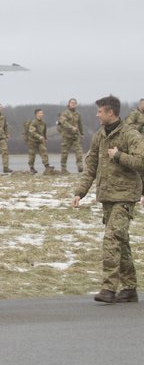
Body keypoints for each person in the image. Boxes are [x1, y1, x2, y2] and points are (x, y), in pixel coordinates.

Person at [72, 95, 144, 304]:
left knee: (111, 239)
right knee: (121, 242)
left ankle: (108, 288)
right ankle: (129, 288)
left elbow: (142, 161)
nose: (97, 115)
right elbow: (91, 167)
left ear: (110, 112)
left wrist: (119, 156)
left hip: (125, 196)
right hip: (107, 197)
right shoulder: (99, 136)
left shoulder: (130, 134)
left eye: (100, 111)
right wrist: (79, 192)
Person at [58, 98, 84, 173]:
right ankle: (63, 168)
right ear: (69, 104)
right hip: (66, 136)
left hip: (75, 136)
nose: (73, 104)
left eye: (75, 103)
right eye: (72, 103)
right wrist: (71, 127)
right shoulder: (65, 113)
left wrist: (82, 133)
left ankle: (80, 166)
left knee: (79, 151)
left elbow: (80, 124)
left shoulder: (77, 114)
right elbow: (63, 122)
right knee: (64, 153)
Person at [26, 109, 54, 174]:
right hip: (32, 141)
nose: (42, 114)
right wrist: (39, 136)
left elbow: (44, 132)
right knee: (32, 155)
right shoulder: (33, 123)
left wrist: (45, 138)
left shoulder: (43, 123)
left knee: (44, 151)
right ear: (37, 114)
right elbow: (32, 132)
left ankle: (47, 165)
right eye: (40, 113)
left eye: (42, 113)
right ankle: (31, 167)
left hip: (40, 141)